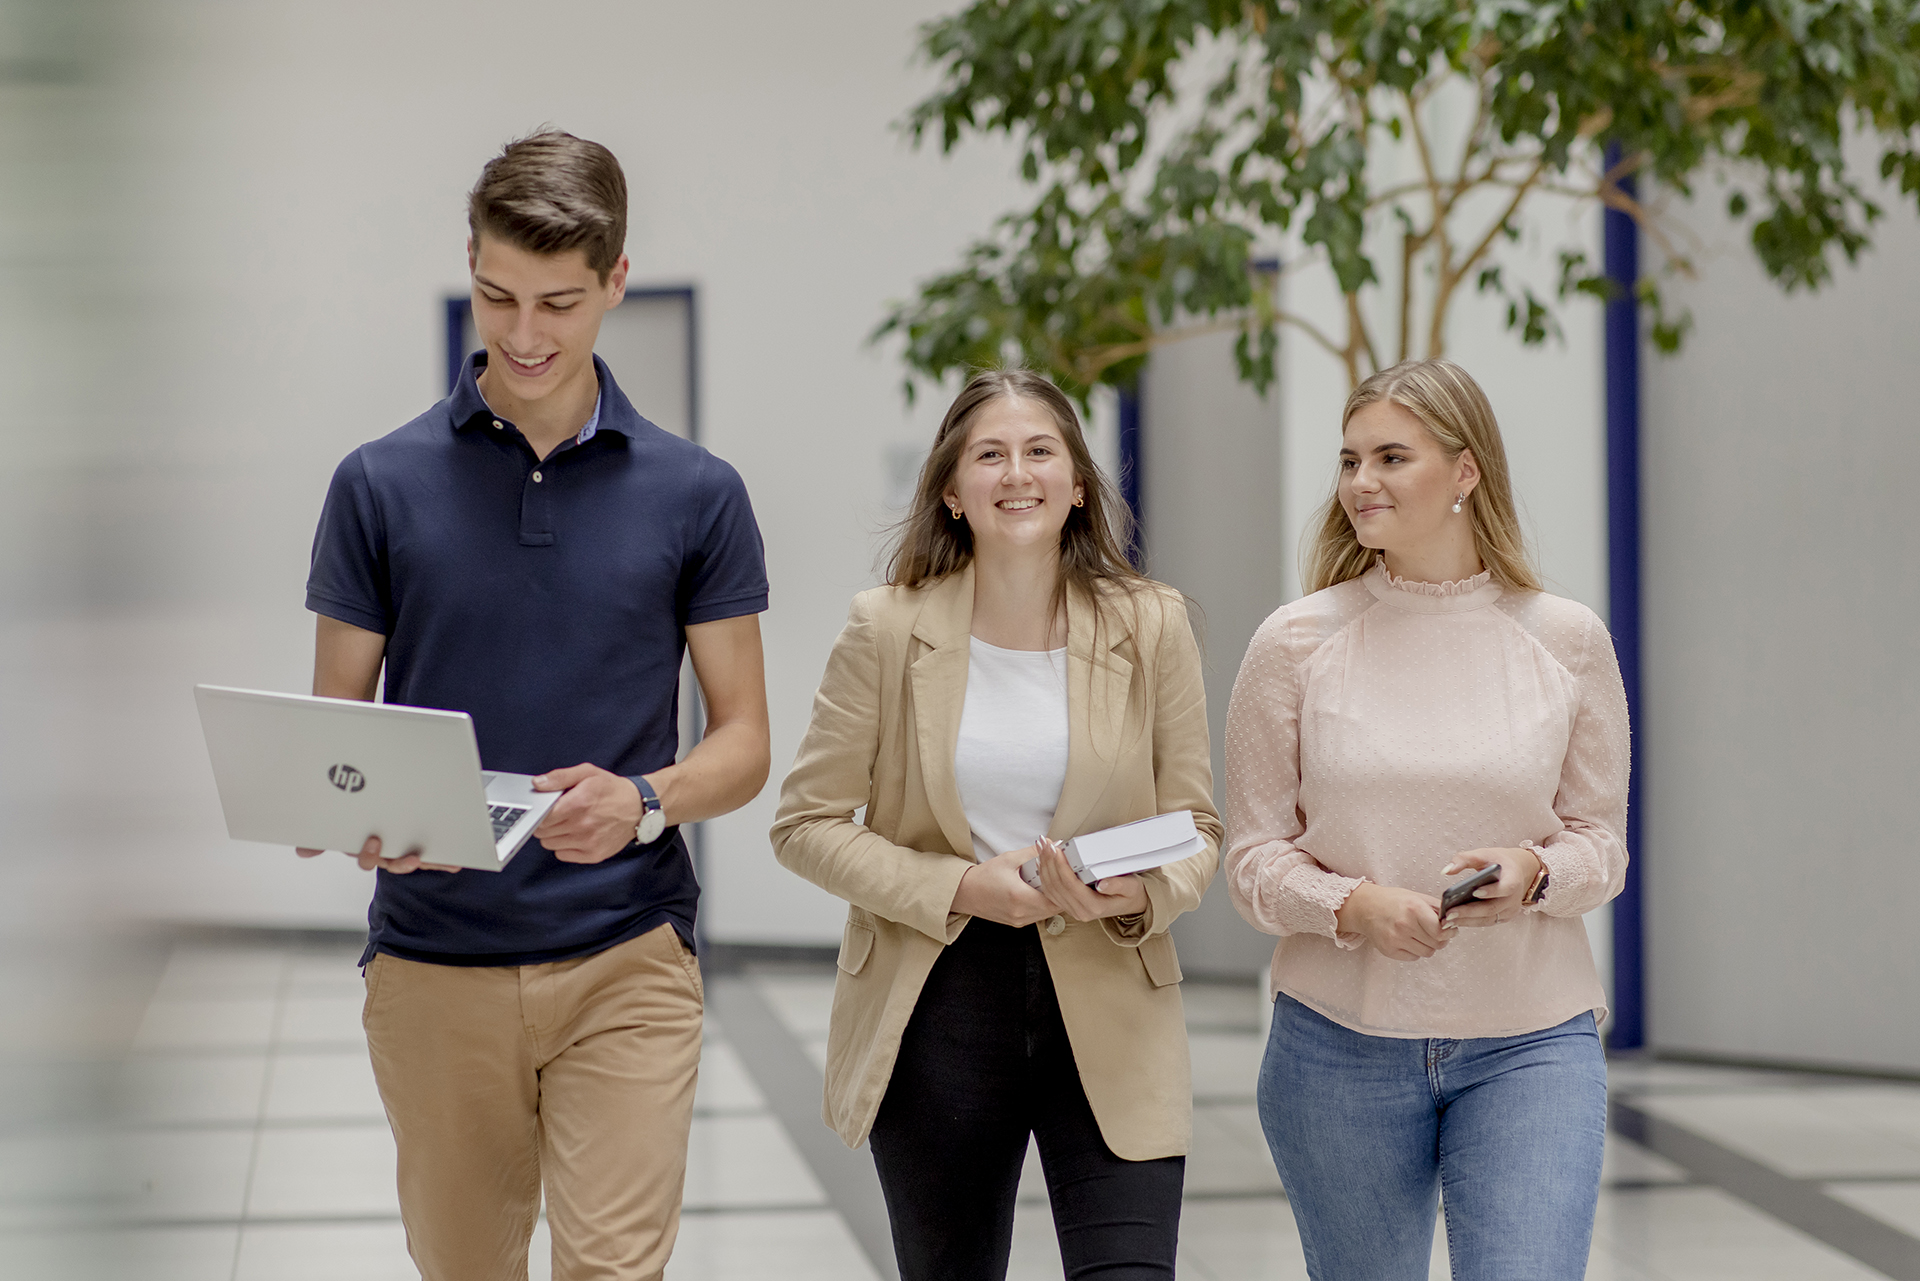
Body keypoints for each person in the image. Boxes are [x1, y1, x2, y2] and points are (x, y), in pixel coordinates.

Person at [299, 129, 770, 1281]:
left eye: (558, 303)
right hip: (433, 962)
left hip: (627, 953)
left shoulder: (699, 496)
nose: (523, 334)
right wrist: (356, 811)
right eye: (497, 296)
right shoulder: (376, 485)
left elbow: (745, 743)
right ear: (470, 264)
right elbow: (333, 745)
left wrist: (646, 801)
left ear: (616, 281)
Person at [770, 369, 1219, 1280]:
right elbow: (805, 823)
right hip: (938, 1008)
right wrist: (962, 885)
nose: (1017, 473)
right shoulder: (886, 628)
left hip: (1111, 998)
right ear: (952, 488)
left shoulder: (1151, 622)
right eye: (989, 454)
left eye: (1040, 450)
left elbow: (1197, 827)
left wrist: (1139, 894)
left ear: (1078, 483)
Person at [1223, 358, 1628, 1280]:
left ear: (1465, 470)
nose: (1360, 481)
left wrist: (1536, 873)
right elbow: (1250, 860)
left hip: (1532, 1040)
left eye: (1391, 457)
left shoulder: (1566, 638)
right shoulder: (1293, 642)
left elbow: (1601, 844)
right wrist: (1353, 905)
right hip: (1337, 1047)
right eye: (1350, 460)